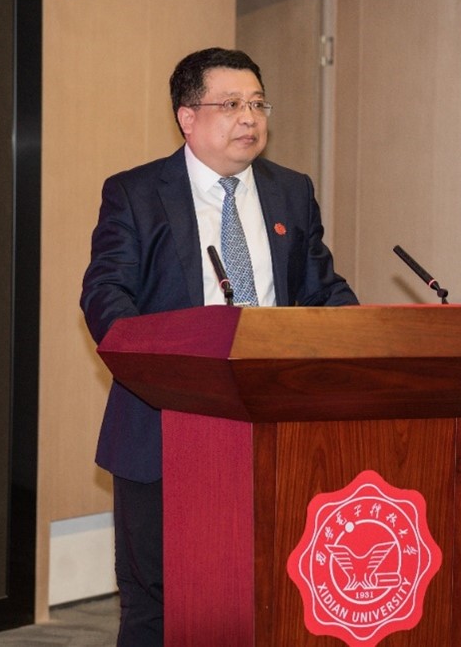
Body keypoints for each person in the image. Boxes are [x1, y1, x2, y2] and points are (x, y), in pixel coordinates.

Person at [80, 47, 358, 646]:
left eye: (257, 103)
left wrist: (362, 340)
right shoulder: (136, 193)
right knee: (157, 604)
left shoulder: (291, 191)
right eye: (230, 104)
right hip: (165, 423)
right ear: (187, 117)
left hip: (274, 423)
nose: (249, 118)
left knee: (271, 591)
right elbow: (105, 293)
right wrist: (161, 367)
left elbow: (321, 290)